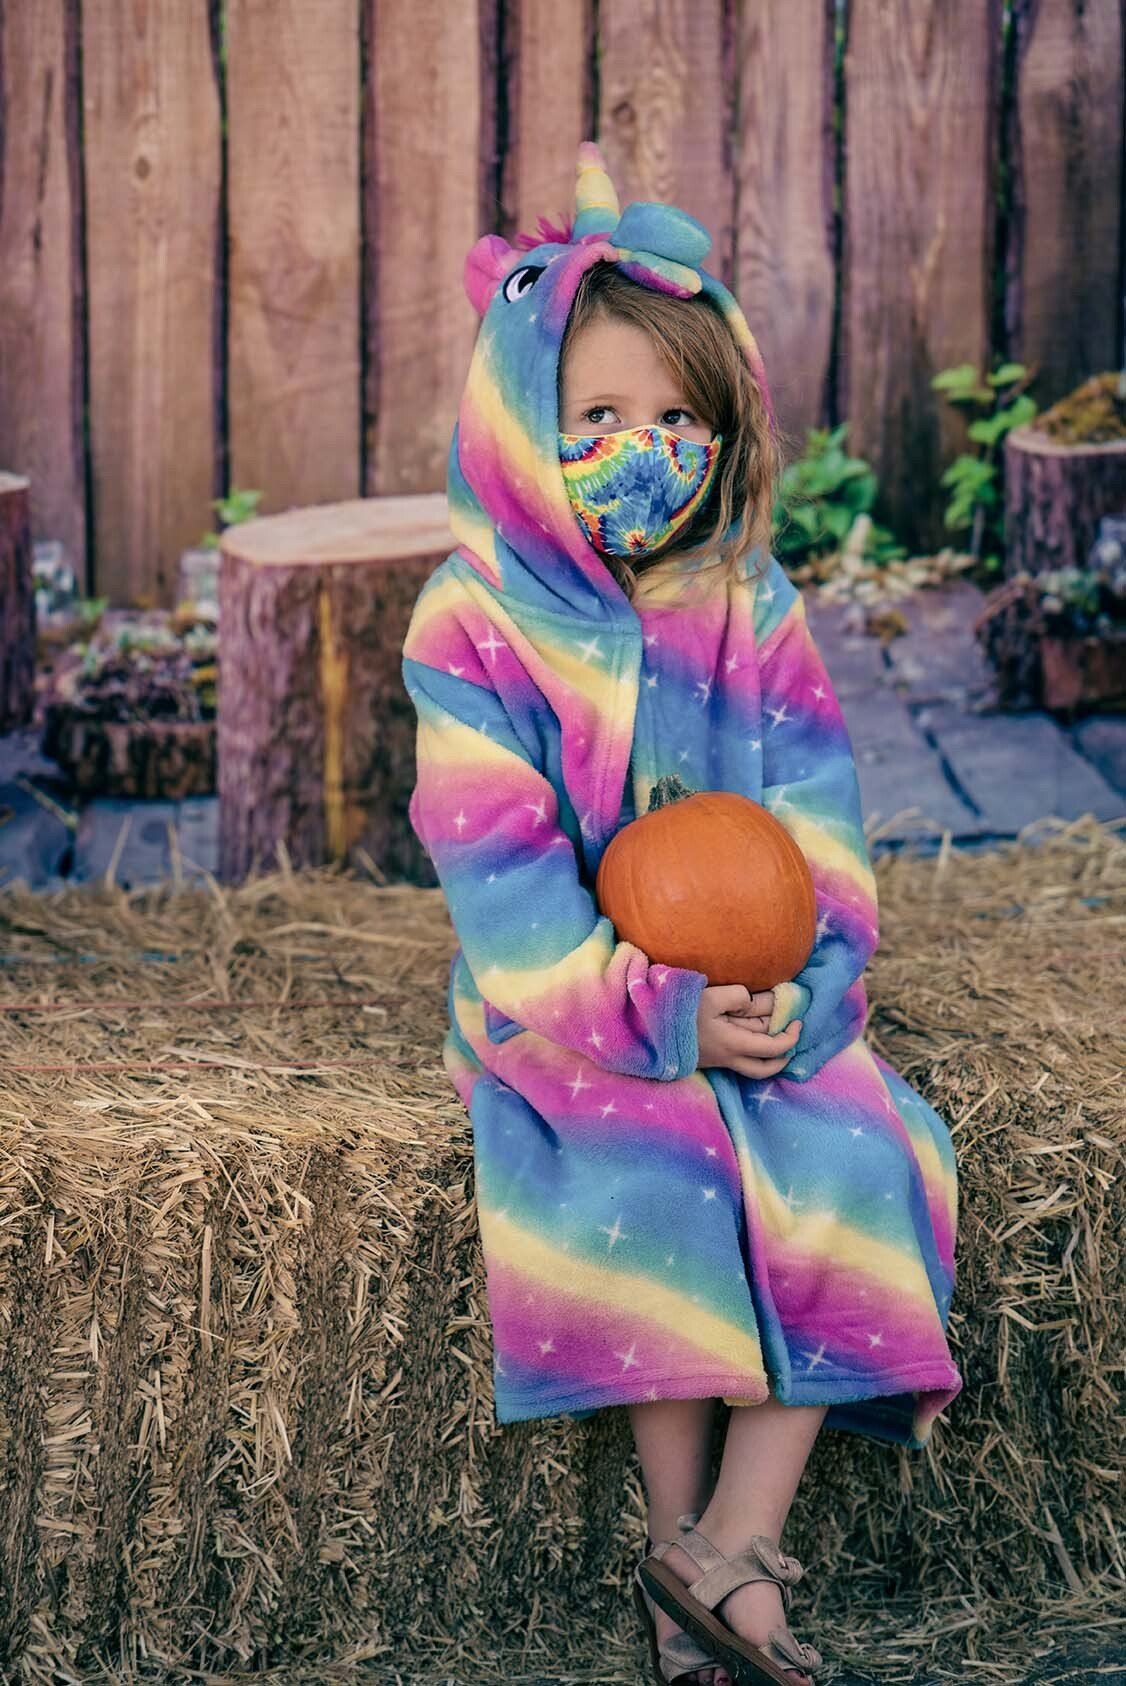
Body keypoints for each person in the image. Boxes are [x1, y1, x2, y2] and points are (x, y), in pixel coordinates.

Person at [401, 141, 961, 1686]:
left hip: (760, 985)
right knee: (653, 1174)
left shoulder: (744, 600)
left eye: (673, 422)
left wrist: (811, 984)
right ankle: (678, 1562)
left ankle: (731, 1545)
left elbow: (816, 807)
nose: (636, 451)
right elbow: (503, 879)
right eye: (594, 418)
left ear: (721, 434)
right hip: (573, 1004)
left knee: (858, 1153)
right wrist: (653, 1016)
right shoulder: (472, 624)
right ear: (521, 421)